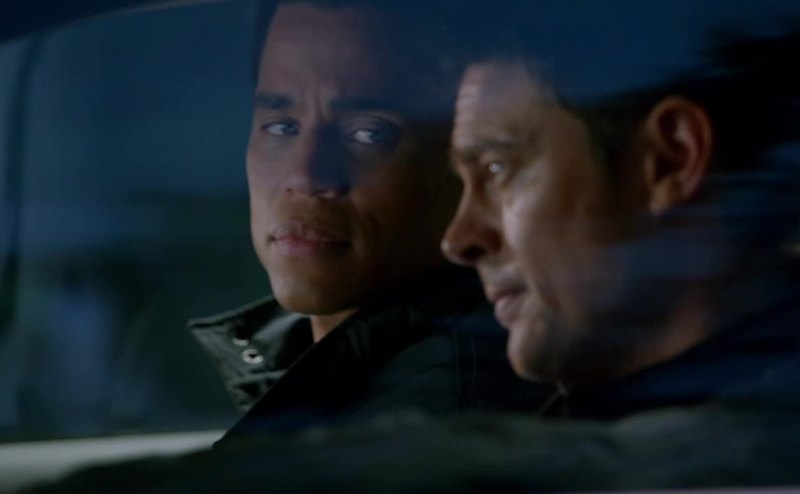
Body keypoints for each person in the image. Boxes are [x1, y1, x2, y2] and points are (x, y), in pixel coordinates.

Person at [189, 0, 545, 444]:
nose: (305, 177)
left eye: (368, 133)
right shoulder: (336, 379)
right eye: (281, 127)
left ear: (465, 160)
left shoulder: (438, 421)